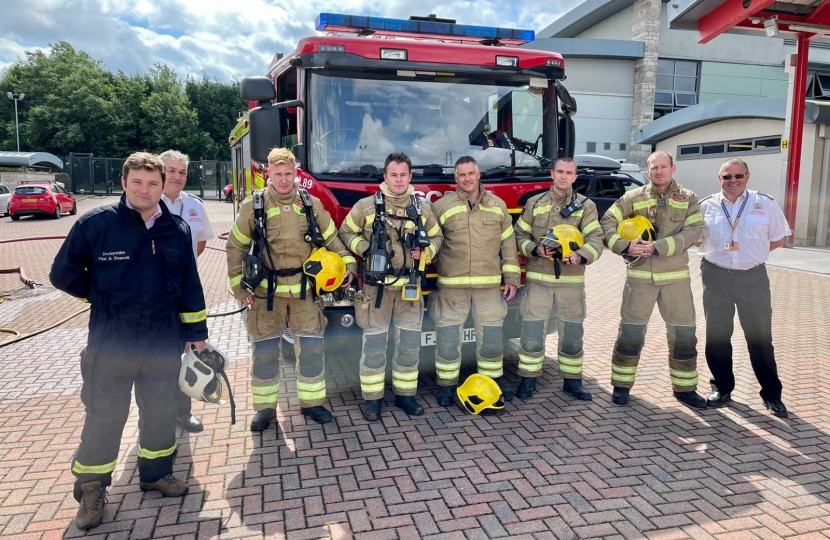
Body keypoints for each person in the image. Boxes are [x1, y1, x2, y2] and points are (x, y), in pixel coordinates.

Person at [50, 152, 208, 531]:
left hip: (162, 339)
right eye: (138, 181)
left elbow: (190, 285)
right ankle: (91, 488)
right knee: (105, 414)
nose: (145, 189)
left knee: (160, 409)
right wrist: (101, 297)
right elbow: (62, 274)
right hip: (112, 339)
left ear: (162, 185)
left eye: (153, 183)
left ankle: (156, 473)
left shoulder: (176, 229)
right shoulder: (96, 225)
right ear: (124, 182)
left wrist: (197, 335)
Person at [226, 148, 356, 432]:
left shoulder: (310, 204)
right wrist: (238, 288)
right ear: (268, 174)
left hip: (305, 295)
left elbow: (333, 240)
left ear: (296, 173)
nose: (284, 180)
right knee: (265, 354)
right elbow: (235, 247)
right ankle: (264, 410)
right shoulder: (253, 205)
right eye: (278, 174)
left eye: (289, 174)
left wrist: (349, 267)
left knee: (311, 351)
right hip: (266, 295)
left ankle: (312, 403)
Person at [339, 152, 443, 421]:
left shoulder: (423, 208)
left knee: (409, 344)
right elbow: (345, 232)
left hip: (410, 287)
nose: (398, 180)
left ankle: (406, 395)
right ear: (385, 177)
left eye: (403, 175)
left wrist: (427, 252)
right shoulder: (365, 206)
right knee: (374, 345)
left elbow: (438, 236)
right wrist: (366, 249)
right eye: (393, 175)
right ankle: (373, 400)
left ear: (410, 177)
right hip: (377, 292)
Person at [600, 150, 707, 408]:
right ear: (647, 170)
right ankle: (621, 386)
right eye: (653, 167)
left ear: (673, 168)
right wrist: (625, 246)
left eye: (663, 166)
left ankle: (685, 389)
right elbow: (606, 223)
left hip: (676, 281)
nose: (658, 171)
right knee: (630, 333)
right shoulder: (632, 197)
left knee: (683, 334)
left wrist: (658, 246)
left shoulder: (688, 198)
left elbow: (694, 231)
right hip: (639, 280)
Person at [697, 158, 790, 417]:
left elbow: (778, 239)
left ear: (747, 176)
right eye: (727, 176)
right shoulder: (706, 206)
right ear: (720, 179)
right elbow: (695, 240)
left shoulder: (765, 203)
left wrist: (752, 254)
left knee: (760, 339)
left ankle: (772, 394)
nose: (733, 180)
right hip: (716, 277)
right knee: (717, 337)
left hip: (753, 279)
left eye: (739, 175)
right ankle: (722, 388)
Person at [429, 156, 520, 406]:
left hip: (488, 287)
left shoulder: (498, 206)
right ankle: (447, 387)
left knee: (491, 340)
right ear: (455, 178)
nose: (467, 179)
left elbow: (508, 244)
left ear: (479, 175)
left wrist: (511, 276)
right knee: (448, 339)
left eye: (471, 173)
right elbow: (432, 243)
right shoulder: (442, 206)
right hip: (452, 287)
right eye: (461, 175)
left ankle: (492, 386)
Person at [513, 158, 604, 400]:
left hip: (570, 283)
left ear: (575, 177)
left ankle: (572, 382)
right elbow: (518, 234)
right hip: (538, 282)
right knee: (532, 332)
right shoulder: (535, 203)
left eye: (569, 173)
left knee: (572, 334)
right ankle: (528, 380)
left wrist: (581, 255)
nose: (563, 177)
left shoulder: (586, 205)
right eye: (559, 172)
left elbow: (596, 238)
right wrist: (535, 249)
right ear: (552, 174)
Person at [159, 149, 215, 433]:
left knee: (187, 352)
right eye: (171, 171)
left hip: (185, 290)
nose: (177, 177)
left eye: (182, 172)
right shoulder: (147, 204)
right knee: (157, 355)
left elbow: (201, 244)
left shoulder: (194, 206)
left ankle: (183, 412)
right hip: (154, 293)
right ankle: (156, 415)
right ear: (160, 172)